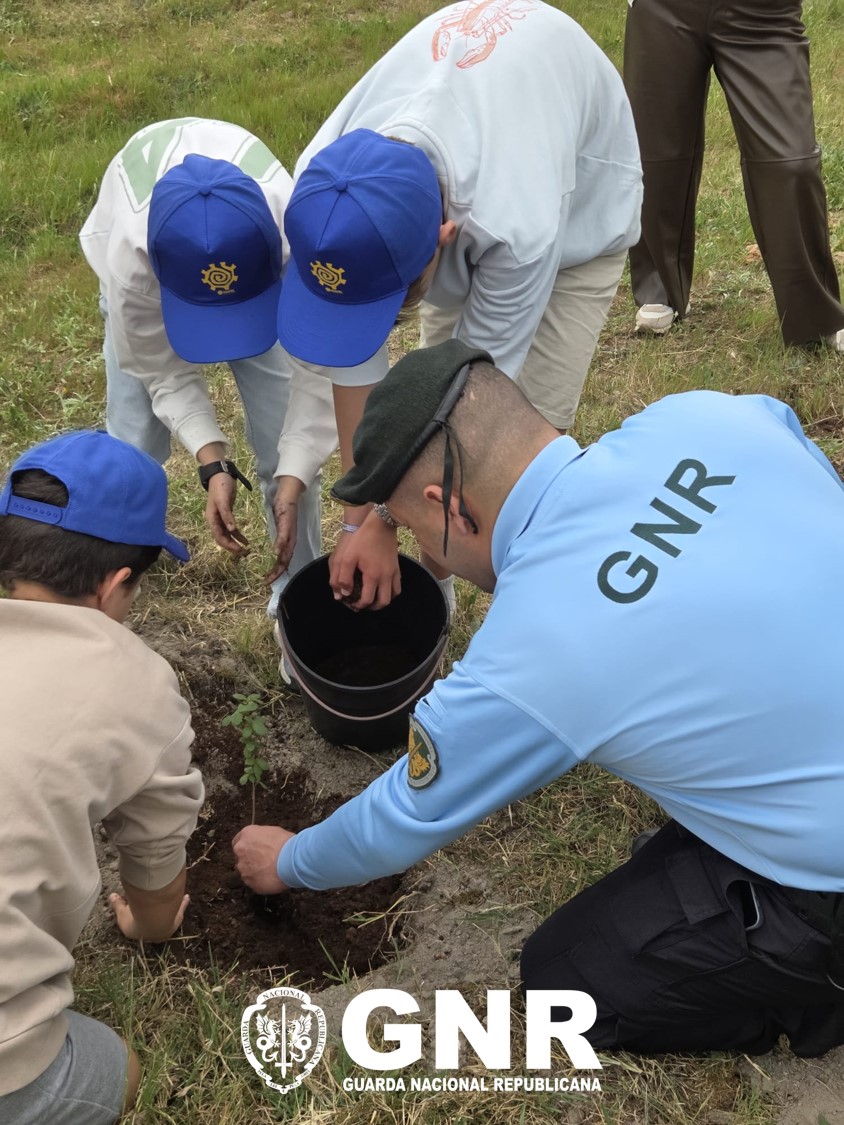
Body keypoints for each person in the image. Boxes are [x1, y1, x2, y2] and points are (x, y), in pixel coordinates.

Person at [234, 338, 844, 1056]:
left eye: (416, 528)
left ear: (451, 507)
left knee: (566, 985)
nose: (427, 554)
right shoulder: (708, 417)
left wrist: (289, 861)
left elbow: (402, 816)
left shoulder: (542, 647)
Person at [272, 1, 642, 612]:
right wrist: (357, 517)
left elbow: (473, 393)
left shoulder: (515, 226)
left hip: (578, 212)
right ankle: (435, 591)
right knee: (427, 422)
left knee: (510, 451)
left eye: (389, 299)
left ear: (443, 238)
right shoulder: (325, 193)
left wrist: (386, 520)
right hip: (480, 147)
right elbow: (357, 368)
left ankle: (506, 610)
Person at [0, 430, 205, 1123]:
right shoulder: (137, 685)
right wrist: (150, 926)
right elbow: (155, 865)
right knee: (118, 1072)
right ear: (117, 584)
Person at [80, 117, 337, 615]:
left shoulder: (295, 232)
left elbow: (316, 372)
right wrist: (211, 460)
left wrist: (296, 470)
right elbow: (160, 369)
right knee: (132, 443)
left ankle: (299, 593)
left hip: (263, 277)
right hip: (143, 263)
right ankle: (115, 568)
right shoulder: (130, 266)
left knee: (283, 444)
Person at [624, 0, 844, 349]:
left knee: (791, 163)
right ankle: (660, 288)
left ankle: (812, 313)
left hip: (763, 13)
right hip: (663, 9)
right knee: (656, 155)